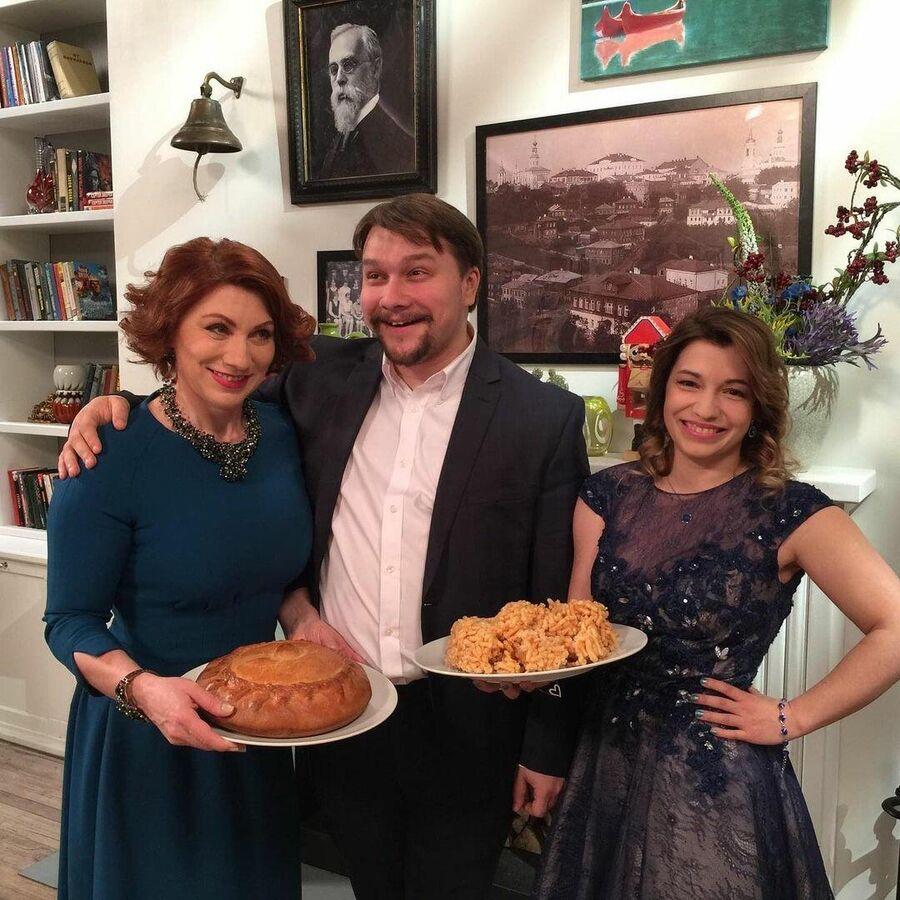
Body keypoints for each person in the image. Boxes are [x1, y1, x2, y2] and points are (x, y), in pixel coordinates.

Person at [57, 194, 589, 900]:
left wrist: (547, 746)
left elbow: (557, 602)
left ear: (470, 282)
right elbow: (199, 393)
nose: (392, 297)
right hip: (337, 718)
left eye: (417, 272)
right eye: (374, 275)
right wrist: (109, 403)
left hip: (469, 732)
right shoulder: (319, 383)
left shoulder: (542, 416)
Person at [533, 306, 900, 899]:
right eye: (689, 383)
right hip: (603, 767)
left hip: (711, 785)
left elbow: (896, 627)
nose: (705, 409)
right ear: (662, 391)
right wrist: (525, 683)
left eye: (734, 391)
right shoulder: (606, 495)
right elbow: (578, 638)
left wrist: (793, 717)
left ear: (758, 409)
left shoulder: (790, 510)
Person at [45, 238, 317, 900]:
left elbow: (273, 572)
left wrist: (303, 617)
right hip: (148, 738)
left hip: (255, 726)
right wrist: (144, 690)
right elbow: (69, 622)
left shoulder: (282, 433)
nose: (240, 356)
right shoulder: (107, 454)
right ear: (170, 331)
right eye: (216, 328)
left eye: (259, 334)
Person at [318, 23, 416, 180]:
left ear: (376, 68)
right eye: (334, 70)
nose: (339, 78)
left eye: (348, 65)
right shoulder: (341, 137)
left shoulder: (397, 142)